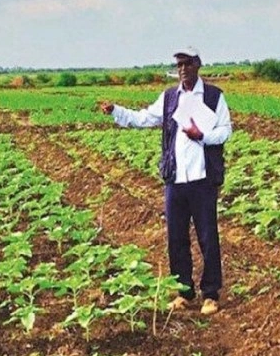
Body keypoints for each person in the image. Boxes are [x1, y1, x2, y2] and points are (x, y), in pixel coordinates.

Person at [99, 47, 232, 315]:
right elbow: (146, 117)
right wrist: (117, 111)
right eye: (179, 64)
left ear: (197, 65)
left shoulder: (214, 96)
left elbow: (225, 131)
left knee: (208, 236)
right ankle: (184, 292)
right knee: (176, 237)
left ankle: (210, 294)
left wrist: (201, 136)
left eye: (187, 63)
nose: (182, 68)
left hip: (203, 178)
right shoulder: (170, 96)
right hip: (175, 178)